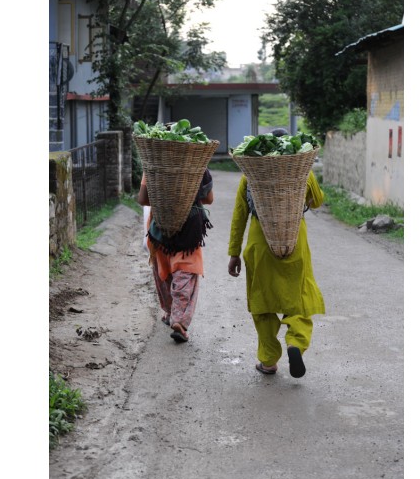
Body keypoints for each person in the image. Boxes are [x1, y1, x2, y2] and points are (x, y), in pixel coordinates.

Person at [227, 131, 325, 378]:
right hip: (294, 242)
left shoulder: (251, 176)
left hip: (260, 245)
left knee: (263, 302)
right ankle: (295, 343)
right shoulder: (302, 171)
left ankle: (269, 360)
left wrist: (234, 253)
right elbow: (317, 202)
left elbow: (239, 216)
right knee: (299, 297)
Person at [138, 169, 214, 343]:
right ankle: (178, 320)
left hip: (161, 227)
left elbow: (143, 199)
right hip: (189, 227)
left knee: (164, 272)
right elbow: (209, 199)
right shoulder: (197, 163)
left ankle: (171, 312)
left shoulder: (153, 162)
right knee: (185, 273)